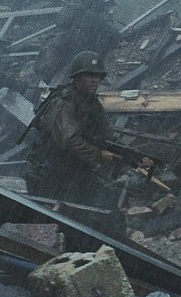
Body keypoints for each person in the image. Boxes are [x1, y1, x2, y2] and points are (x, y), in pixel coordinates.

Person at [25, 50, 123, 211]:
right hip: (51, 174)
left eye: (98, 76)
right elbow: (70, 140)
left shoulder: (93, 105)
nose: (95, 80)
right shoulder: (64, 103)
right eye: (90, 75)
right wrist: (98, 154)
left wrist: (128, 154)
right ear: (77, 77)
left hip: (75, 170)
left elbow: (107, 134)